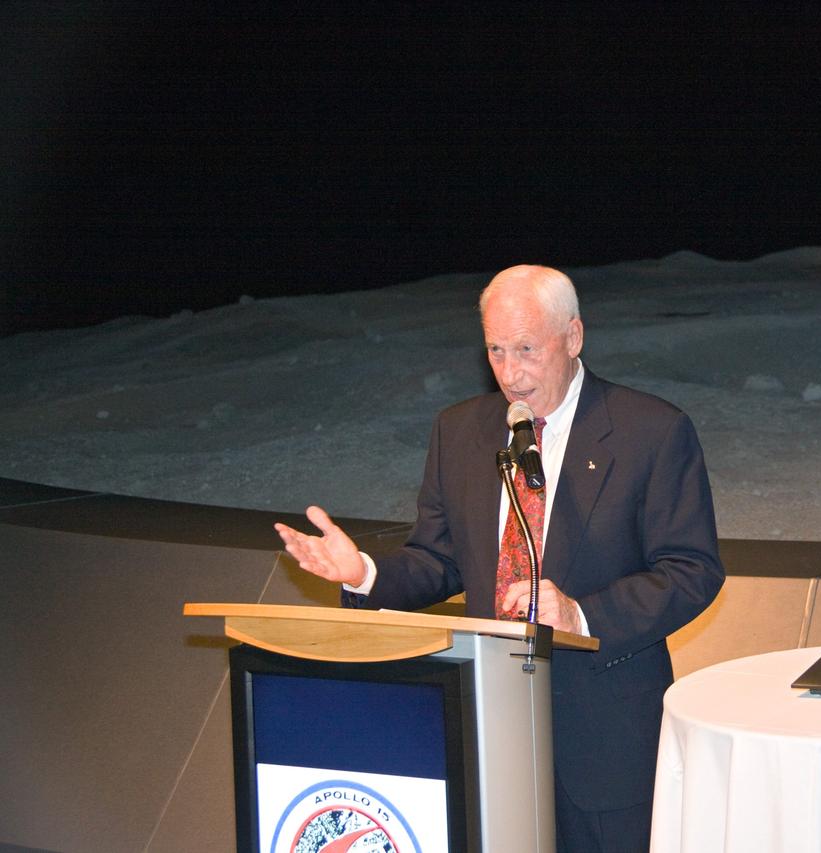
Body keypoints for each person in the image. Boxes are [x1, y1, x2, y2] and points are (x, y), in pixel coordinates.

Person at [275, 264, 724, 853]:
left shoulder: (651, 432)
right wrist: (364, 572)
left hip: (605, 742)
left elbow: (691, 570)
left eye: (527, 350)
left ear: (574, 336)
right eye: (495, 351)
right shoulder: (460, 431)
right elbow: (440, 560)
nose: (511, 374)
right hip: (489, 731)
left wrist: (580, 616)